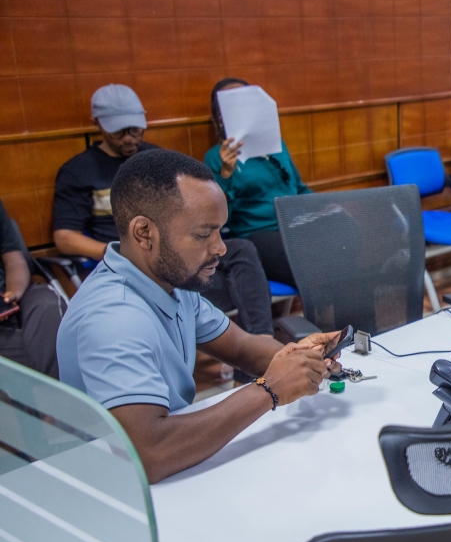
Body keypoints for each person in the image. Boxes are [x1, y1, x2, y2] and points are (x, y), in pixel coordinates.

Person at [57, 149, 343, 483]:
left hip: (177, 466)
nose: (221, 247)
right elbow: (149, 454)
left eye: (220, 231)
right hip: (123, 492)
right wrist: (270, 390)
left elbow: (241, 347)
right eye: (203, 234)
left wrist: (302, 357)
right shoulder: (113, 318)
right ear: (144, 233)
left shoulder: (167, 282)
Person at [52, 85, 275, 342]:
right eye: (118, 132)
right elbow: (65, 236)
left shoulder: (157, 160)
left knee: (240, 251)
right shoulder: (79, 171)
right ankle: (252, 353)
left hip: (176, 244)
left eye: (135, 129)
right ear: (98, 125)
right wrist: (116, 251)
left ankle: (262, 339)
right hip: (136, 260)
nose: (128, 138)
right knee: (231, 286)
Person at [203, 78, 313, 287]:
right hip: (258, 232)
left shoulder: (277, 145)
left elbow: (299, 188)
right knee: (307, 265)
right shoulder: (215, 157)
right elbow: (218, 216)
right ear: (220, 116)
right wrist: (226, 174)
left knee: (341, 237)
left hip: (296, 222)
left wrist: (327, 204)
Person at [0, 200, 65, 378]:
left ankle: (63, 399)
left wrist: (13, 293)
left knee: (48, 305)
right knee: (33, 350)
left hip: (9, 292)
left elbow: (14, 260)